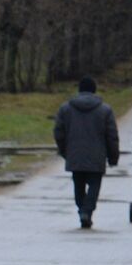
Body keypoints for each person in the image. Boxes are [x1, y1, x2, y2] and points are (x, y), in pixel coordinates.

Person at [53, 77, 120, 229]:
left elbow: (58, 132)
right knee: (94, 185)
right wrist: (113, 157)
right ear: (94, 90)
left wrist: (64, 151)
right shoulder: (105, 110)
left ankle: (82, 210)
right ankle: (87, 211)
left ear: (79, 90)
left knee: (78, 183)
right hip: (97, 155)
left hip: (75, 154)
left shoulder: (66, 109)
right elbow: (112, 136)